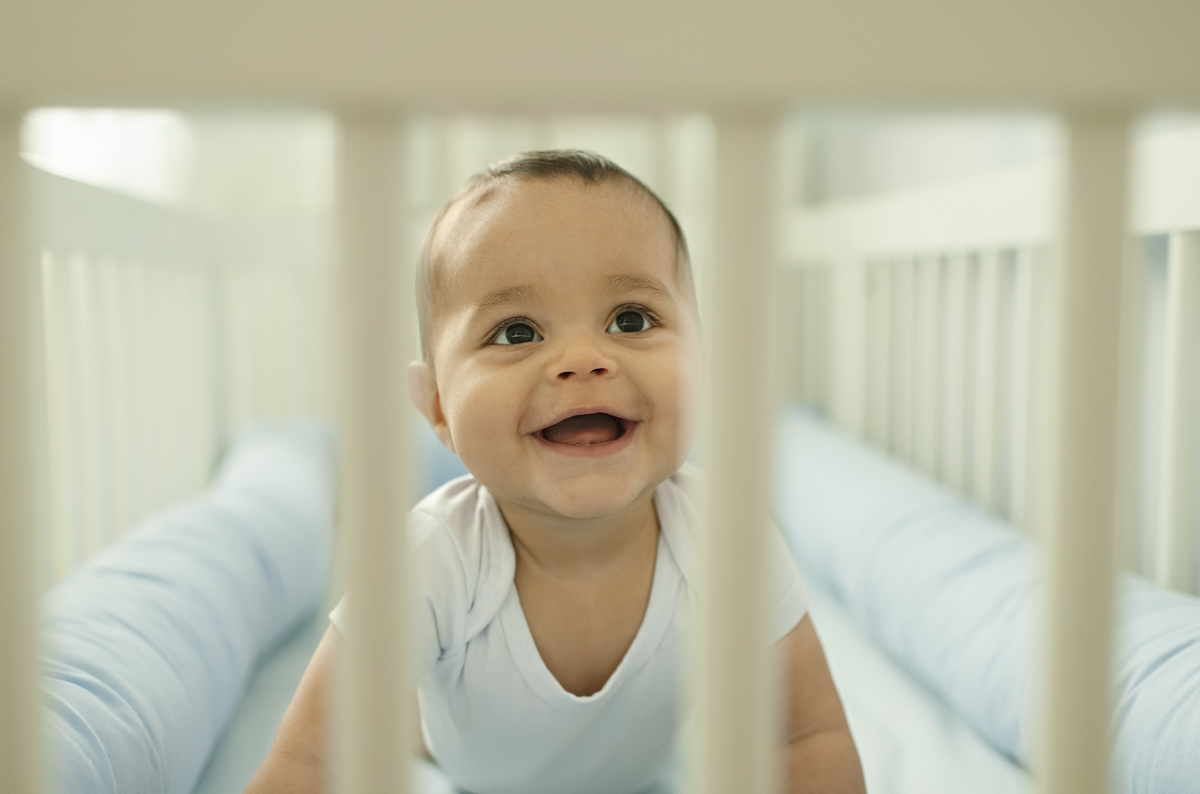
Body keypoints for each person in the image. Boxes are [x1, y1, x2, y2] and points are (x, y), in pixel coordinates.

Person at [245, 150, 865, 794]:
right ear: (437, 408)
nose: (581, 359)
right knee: (389, 717)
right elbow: (306, 764)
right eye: (516, 332)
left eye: (631, 319)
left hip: (644, 772)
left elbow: (805, 737)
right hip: (466, 759)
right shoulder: (432, 559)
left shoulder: (726, 538)